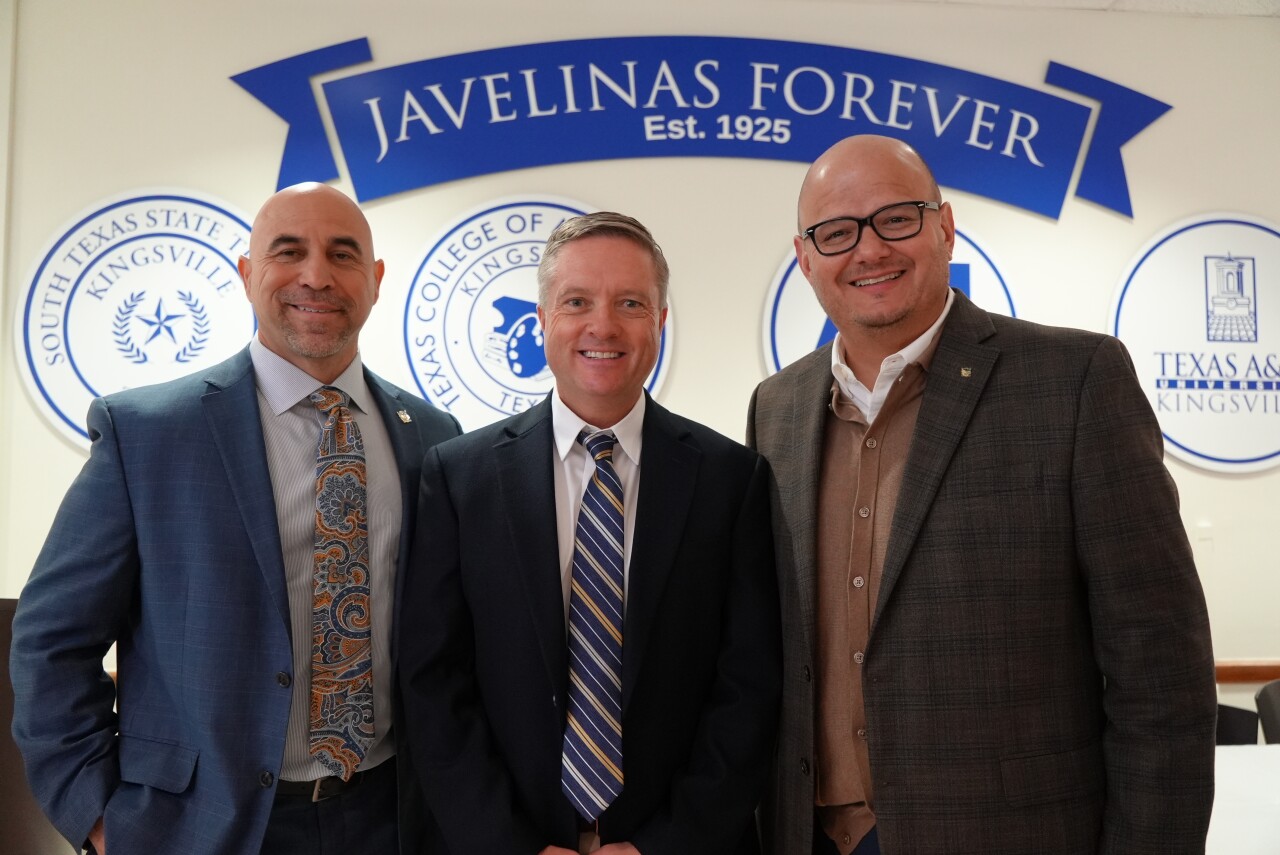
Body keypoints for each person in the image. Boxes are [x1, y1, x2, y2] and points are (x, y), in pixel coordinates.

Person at [747, 135, 1217, 854]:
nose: (869, 250)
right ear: (806, 258)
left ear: (944, 226)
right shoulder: (775, 408)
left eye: (896, 218)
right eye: (836, 233)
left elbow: (1162, 680)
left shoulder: (1076, 381)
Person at [10, 182, 461, 855]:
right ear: (248, 275)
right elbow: (51, 641)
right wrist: (101, 818)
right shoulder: (146, 432)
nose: (316, 274)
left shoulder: (430, 434)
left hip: (389, 818)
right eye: (289, 252)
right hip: (199, 827)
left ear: (374, 280)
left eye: (342, 255)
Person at [398, 212, 781, 854]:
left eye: (630, 303)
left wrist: (664, 846)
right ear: (543, 319)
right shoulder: (459, 478)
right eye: (577, 302)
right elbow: (433, 685)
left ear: (659, 322)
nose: (603, 325)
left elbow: (748, 686)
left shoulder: (729, 479)